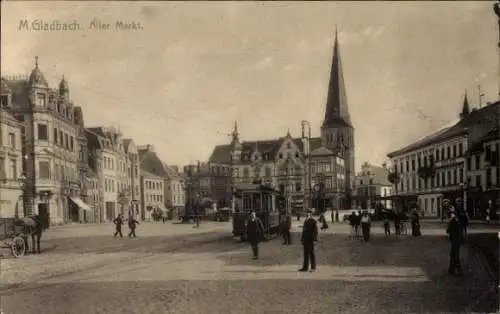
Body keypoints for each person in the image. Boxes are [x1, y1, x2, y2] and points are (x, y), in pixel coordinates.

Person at [446, 212, 463, 276]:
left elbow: (448, 230)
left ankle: (455, 270)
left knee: (454, 254)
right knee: (455, 253)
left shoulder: (452, 221)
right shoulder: (460, 220)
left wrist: (450, 221)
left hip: (454, 239)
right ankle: (452, 269)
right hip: (459, 239)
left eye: (452, 214)